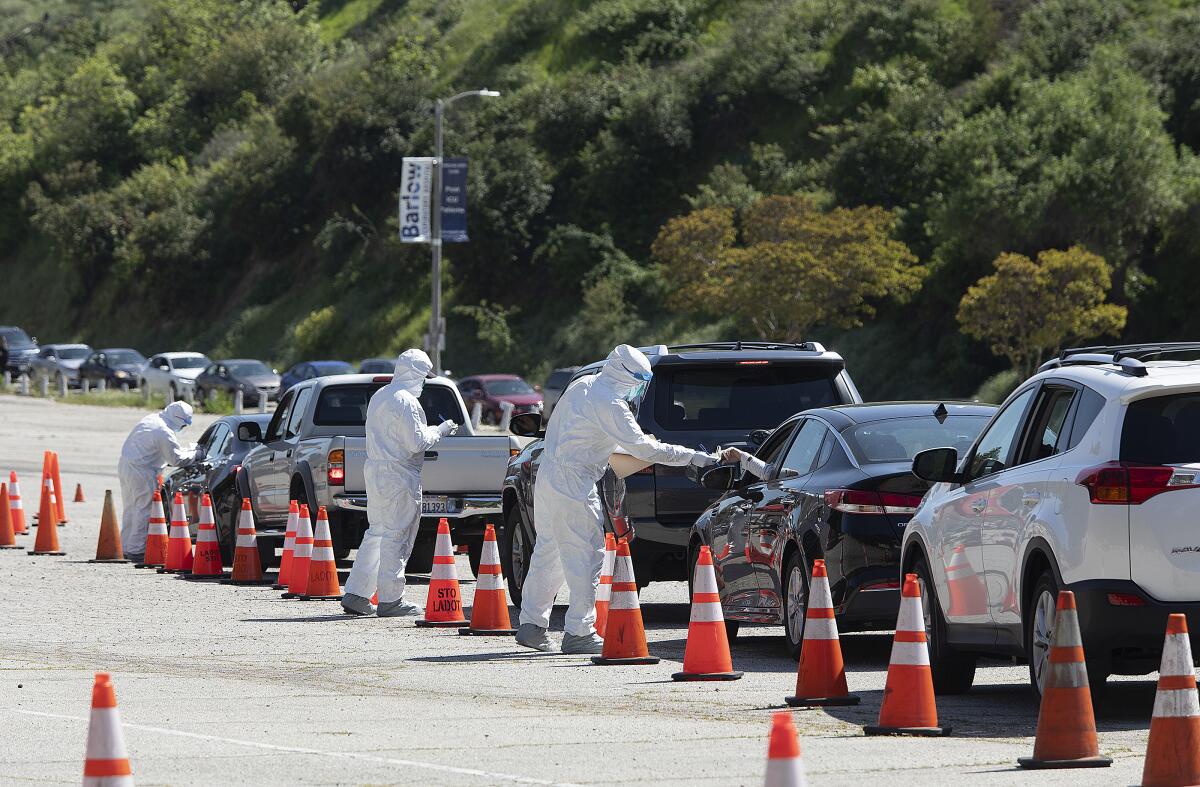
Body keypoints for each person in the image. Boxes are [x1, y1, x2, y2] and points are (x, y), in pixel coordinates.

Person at [516, 344, 721, 655]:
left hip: (549, 477)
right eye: (638, 383)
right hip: (575, 483)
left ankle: (532, 625)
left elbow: (590, 436)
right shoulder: (611, 403)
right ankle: (580, 632)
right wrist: (693, 457)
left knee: (550, 551)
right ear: (627, 378)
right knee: (587, 555)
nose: (639, 390)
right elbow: (643, 449)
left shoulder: (582, 385)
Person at [341, 349, 457, 617]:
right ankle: (391, 600)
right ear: (415, 374)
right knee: (398, 535)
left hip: (377, 471)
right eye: (424, 376)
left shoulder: (381, 396)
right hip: (399, 475)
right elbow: (416, 442)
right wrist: (440, 430)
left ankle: (357, 593)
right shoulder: (407, 402)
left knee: (377, 532)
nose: (425, 382)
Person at [118, 401, 198, 561]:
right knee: (145, 509)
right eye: (184, 424)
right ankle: (137, 550)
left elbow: (163, 452)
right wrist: (196, 454)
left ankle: (126, 547)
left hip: (127, 465)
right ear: (179, 420)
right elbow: (176, 459)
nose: (183, 428)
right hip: (143, 471)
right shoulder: (164, 431)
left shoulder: (152, 419)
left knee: (131, 508)